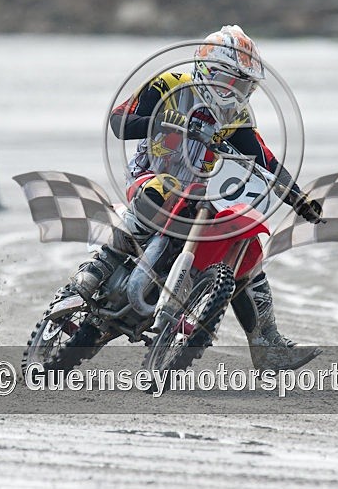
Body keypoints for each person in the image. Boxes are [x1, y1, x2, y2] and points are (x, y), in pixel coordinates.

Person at [55, 25, 322, 370]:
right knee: (160, 190)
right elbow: (119, 122)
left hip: (200, 192)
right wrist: (162, 121)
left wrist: (299, 198)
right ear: (209, 71)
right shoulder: (168, 84)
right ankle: (89, 278)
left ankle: (267, 344)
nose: (236, 92)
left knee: (246, 245)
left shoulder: (235, 116)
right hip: (150, 177)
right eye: (231, 81)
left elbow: (265, 159)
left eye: (245, 86)